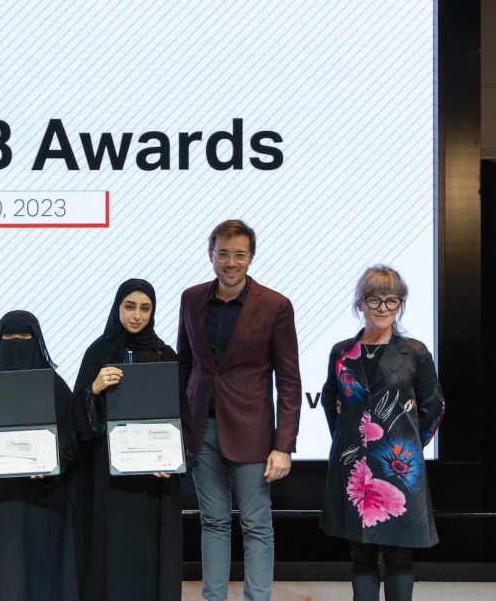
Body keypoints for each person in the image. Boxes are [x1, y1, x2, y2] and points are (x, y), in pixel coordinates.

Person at [177, 220, 301, 601]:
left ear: (251, 257)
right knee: (212, 522)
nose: (231, 262)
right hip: (202, 430)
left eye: (239, 254)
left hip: (253, 433)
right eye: (224, 254)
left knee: (256, 525)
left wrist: (284, 445)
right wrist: (179, 428)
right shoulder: (191, 298)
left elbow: (289, 381)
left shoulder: (276, 305)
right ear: (210, 255)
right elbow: (184, 367)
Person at [320, 266, 444, 601]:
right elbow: (331, 402)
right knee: (361, 556)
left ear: (400, 304)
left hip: (399, 468)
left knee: (399, 556)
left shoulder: (415, 352)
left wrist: (409, 444)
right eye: (374, 299)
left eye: (392, 300)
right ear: (360, 303)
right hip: (353, 468)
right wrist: (349, 441)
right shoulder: (341, 353)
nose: (383, 307)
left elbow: (434, 407)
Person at [71, 279, 189, 601]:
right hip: (111, 480)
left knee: (151, 553)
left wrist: (173, 460)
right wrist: (95, 388)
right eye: (130, 306)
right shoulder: (99, 352)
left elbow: (181, 414)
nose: (137, 315)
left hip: (155, 481)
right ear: (117, 308)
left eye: (145, 308)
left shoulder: (164, 354)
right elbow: (78, 420)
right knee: (114, 553)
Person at [0, 311, 77, 601]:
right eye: (8, 336)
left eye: (24, 336)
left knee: (39, 565)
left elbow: (70, 434)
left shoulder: (53, 383)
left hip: (41, 493)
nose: (16, 342)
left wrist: (52, 466)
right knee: (0, 567)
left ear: (36, 340)